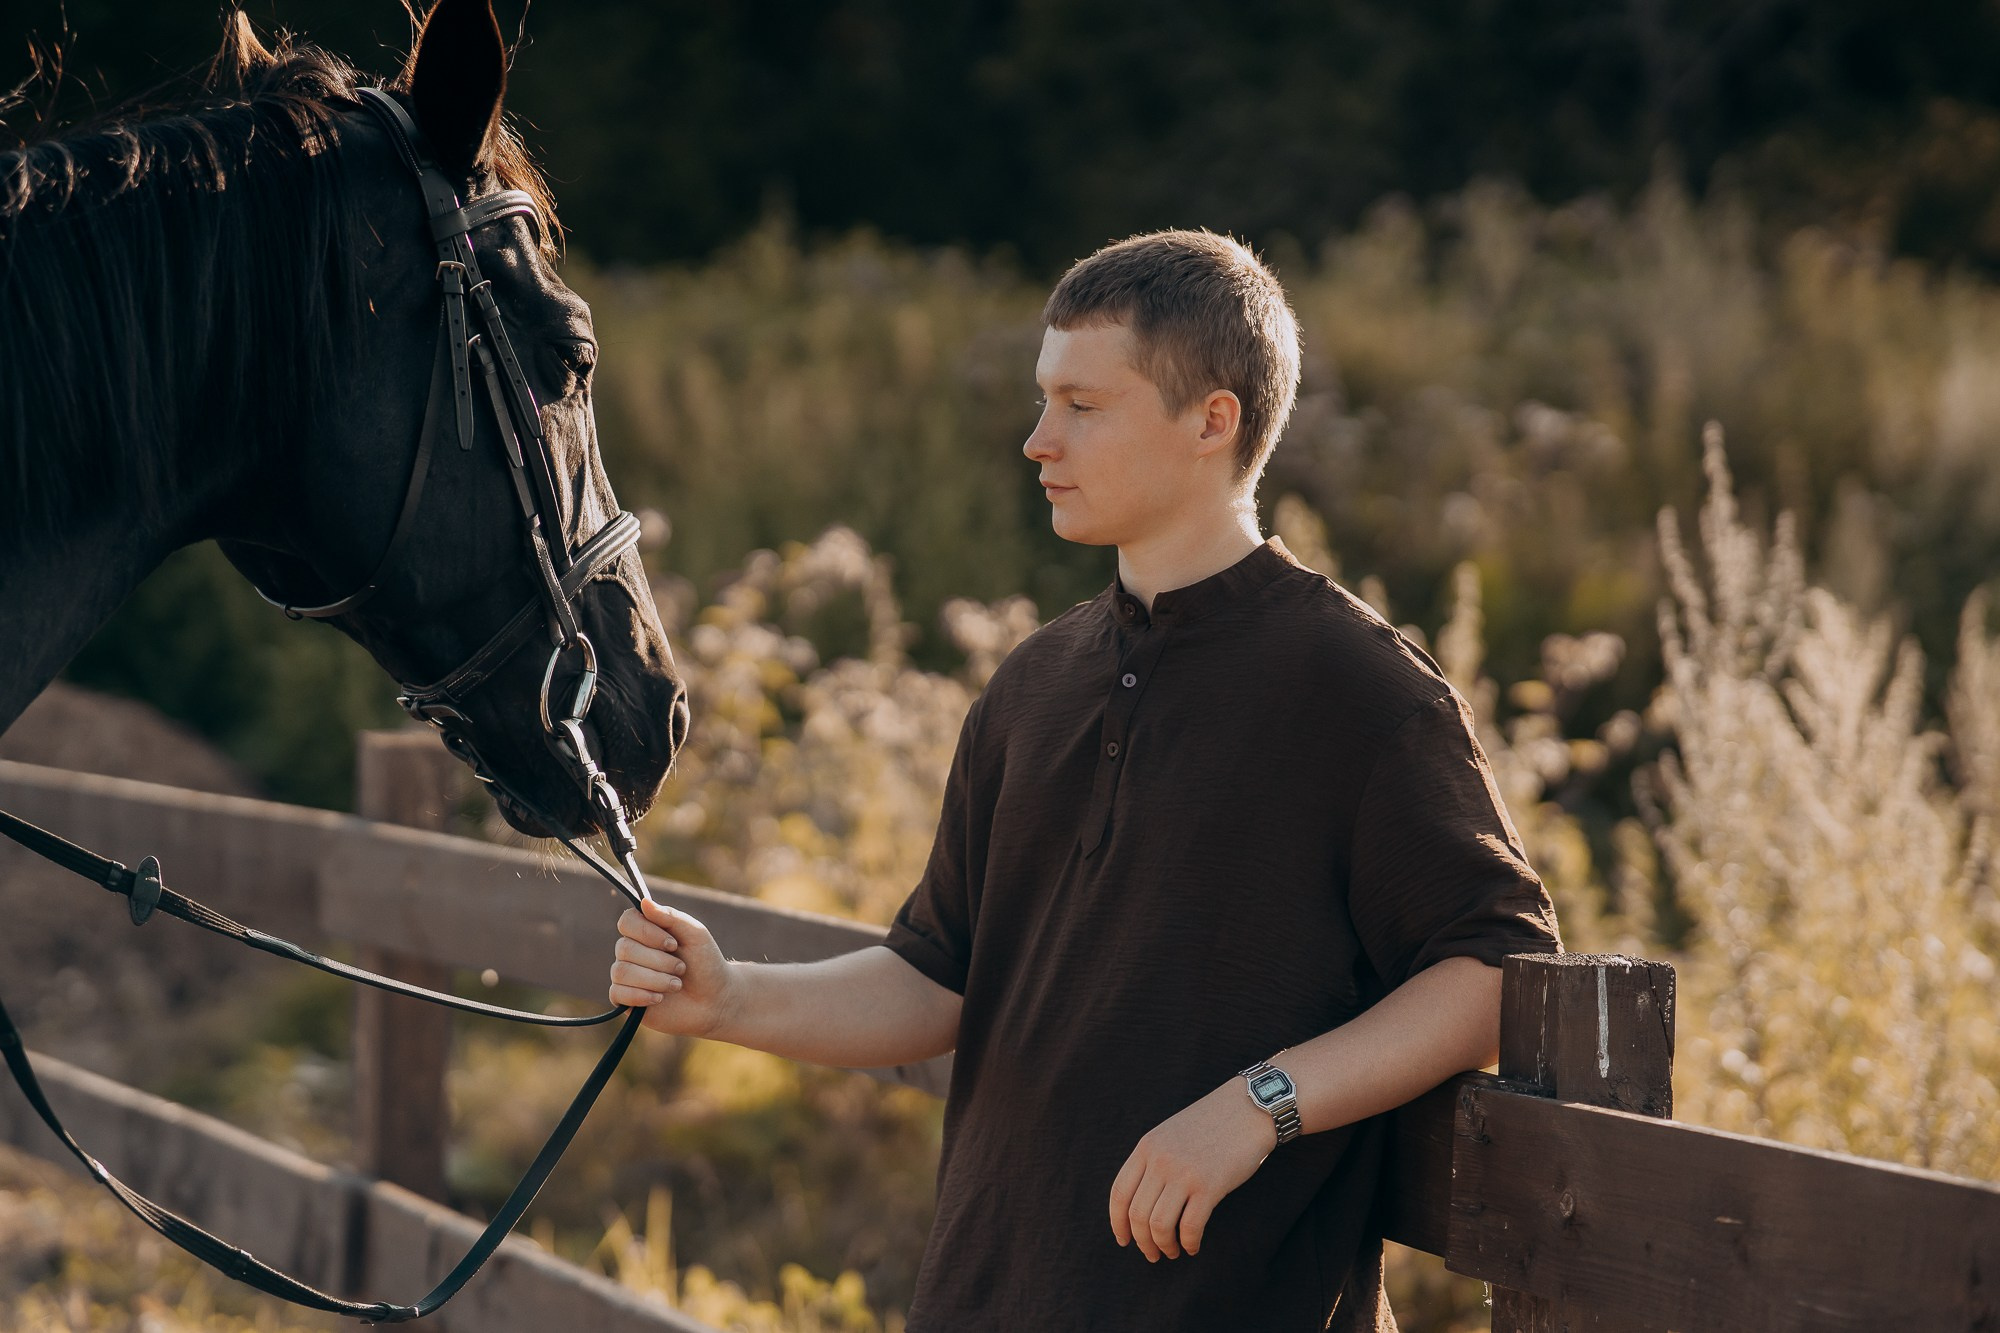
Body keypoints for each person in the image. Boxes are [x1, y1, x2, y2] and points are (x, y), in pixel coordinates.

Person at [608, 229, 1562, 1331]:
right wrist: (730, 996)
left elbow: (1495, 966)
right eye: (1040, 399)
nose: (1035, 440)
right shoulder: (1030, 684)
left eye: (1081, 406)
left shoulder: (1356, 688)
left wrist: (1261, 1106)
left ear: (1213, 420)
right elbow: (941, 976)